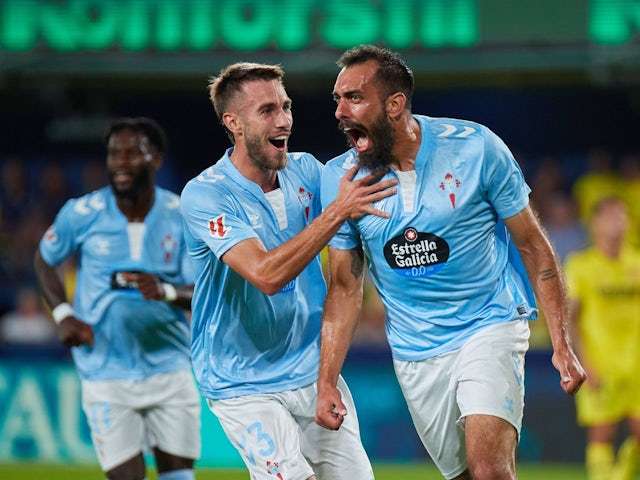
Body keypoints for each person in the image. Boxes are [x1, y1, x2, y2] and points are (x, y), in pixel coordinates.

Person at [314, 45, 586, 480]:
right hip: (415, 351)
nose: (340, 111)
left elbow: (534, 246)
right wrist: (327, 379)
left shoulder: (477, 148)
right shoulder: (340, 180)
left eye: (354, 98)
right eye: (337, 99)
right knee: (462, 475)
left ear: (395, 105)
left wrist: (561, 343)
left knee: (489, 470)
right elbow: (345, 286)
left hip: (489, 324)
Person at [179, 62, 397, 480]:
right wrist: (337, 211)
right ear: (233, 123)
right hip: (243, 381)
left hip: (311, 370)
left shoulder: (307, 172)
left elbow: (361, 210)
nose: (283, 120)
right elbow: (266, 274)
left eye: (286, 106)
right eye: (266, 110)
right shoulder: (206, 194)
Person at [33, 117, 201, 480]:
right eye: (114, 154)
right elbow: (44, 259)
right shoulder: (82, 213)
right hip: (105, 372)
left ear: (155, 159)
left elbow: (205, 292)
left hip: (169, 367)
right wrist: (63, 314)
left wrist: (166, 290)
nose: (120, 162)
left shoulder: (181, 216)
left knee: (179, 477)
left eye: (132, 153)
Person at [564, 196, 640, 480]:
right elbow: (571, 318)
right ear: (595, 224)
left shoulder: (637, 262)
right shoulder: (581, 265)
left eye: (622, 216)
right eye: (609, 218)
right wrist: (584, 361)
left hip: (636, 362)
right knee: (602, 432)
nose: (617, 224)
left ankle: (623, 469)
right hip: (600, 361)